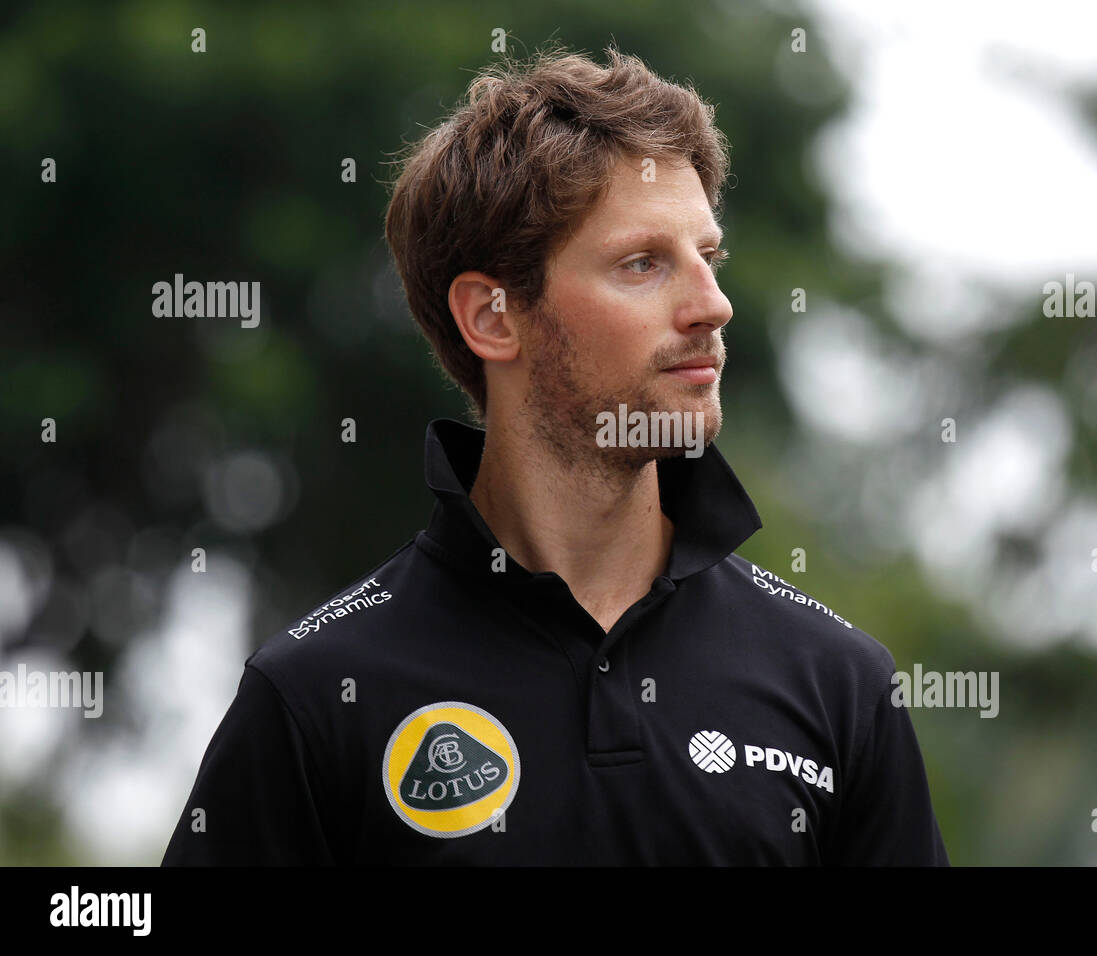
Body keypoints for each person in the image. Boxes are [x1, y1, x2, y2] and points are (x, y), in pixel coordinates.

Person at [161, 47, 949, 866]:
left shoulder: (839, 682)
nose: (712, 305)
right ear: (493, 316)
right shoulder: (316, 694)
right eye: (644, 264)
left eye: (707, 258)